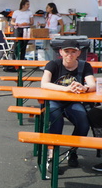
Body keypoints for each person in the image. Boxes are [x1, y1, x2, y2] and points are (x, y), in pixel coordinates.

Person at [40, 39, 95, 169]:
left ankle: (72, 151)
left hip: (73, 102)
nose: (69, 54)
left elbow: (92, 85)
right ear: (60, 52)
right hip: (54, 101)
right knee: (55, 122)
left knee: (83, 123)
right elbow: (44, 83)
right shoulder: (53, 64)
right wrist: (66, 88)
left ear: (78, 53)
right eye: (66, 51)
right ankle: (51, 156)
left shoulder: (85, 66)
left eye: (73, 52)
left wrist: (84, 88)